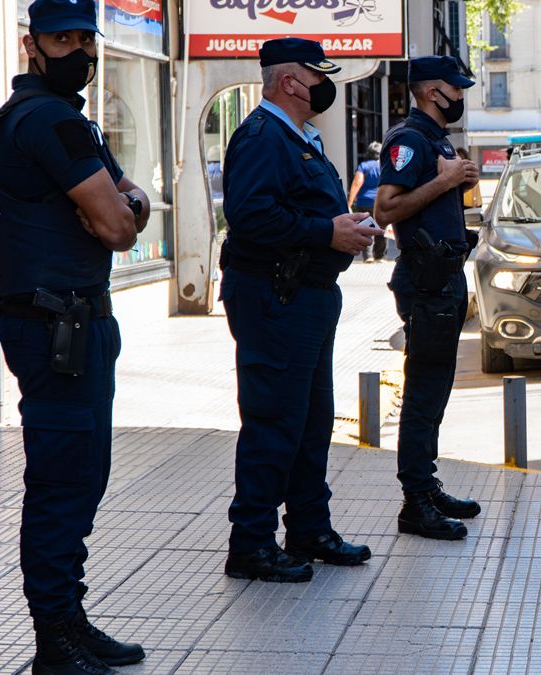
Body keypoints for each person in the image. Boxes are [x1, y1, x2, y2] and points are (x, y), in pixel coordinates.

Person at [0, 1, 148, 672]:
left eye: (86, 37)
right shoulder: (49, 120)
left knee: (79, 476)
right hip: (58, 326)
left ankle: (70, 619)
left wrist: (121, 202)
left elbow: (126, 195)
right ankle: (55, 635)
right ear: (32, 44)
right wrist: (121, 208)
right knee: (63, 479)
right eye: (62, 38)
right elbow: (119, 226)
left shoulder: (45, 119)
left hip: (59, 322)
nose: (78, 49)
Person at [218, 38, 380, 583]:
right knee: (274, 422)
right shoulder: (264, 138)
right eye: (318, 75)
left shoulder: (297, 137)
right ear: (291, 81)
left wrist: (346, 225)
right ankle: (252, 544)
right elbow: (250, 217)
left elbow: (300, 209)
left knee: (310, 421)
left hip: (304, 296)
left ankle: (309, 528)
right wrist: (326, 232)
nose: (324, 85)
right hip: (274, 297)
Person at [374, 55, 482, 541]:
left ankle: (426, 484)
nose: (460, 96)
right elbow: (385, 208)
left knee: (435, 388)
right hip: (425, 282)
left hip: (444, 279)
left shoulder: (434, 140)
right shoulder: (409, 140)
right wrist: (445, 180)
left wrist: (457, 181)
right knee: (422, 393)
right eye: (455, 89)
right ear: (432, 91)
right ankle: (415, 500)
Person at [348, 141, 387, 261]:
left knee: (366, 228)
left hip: (364, 202)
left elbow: (356, 183)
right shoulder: (384, 165)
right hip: (380, 201)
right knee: (381, 228)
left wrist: (349, 202)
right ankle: (380, 256)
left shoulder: (363, 166)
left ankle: (368, 256)